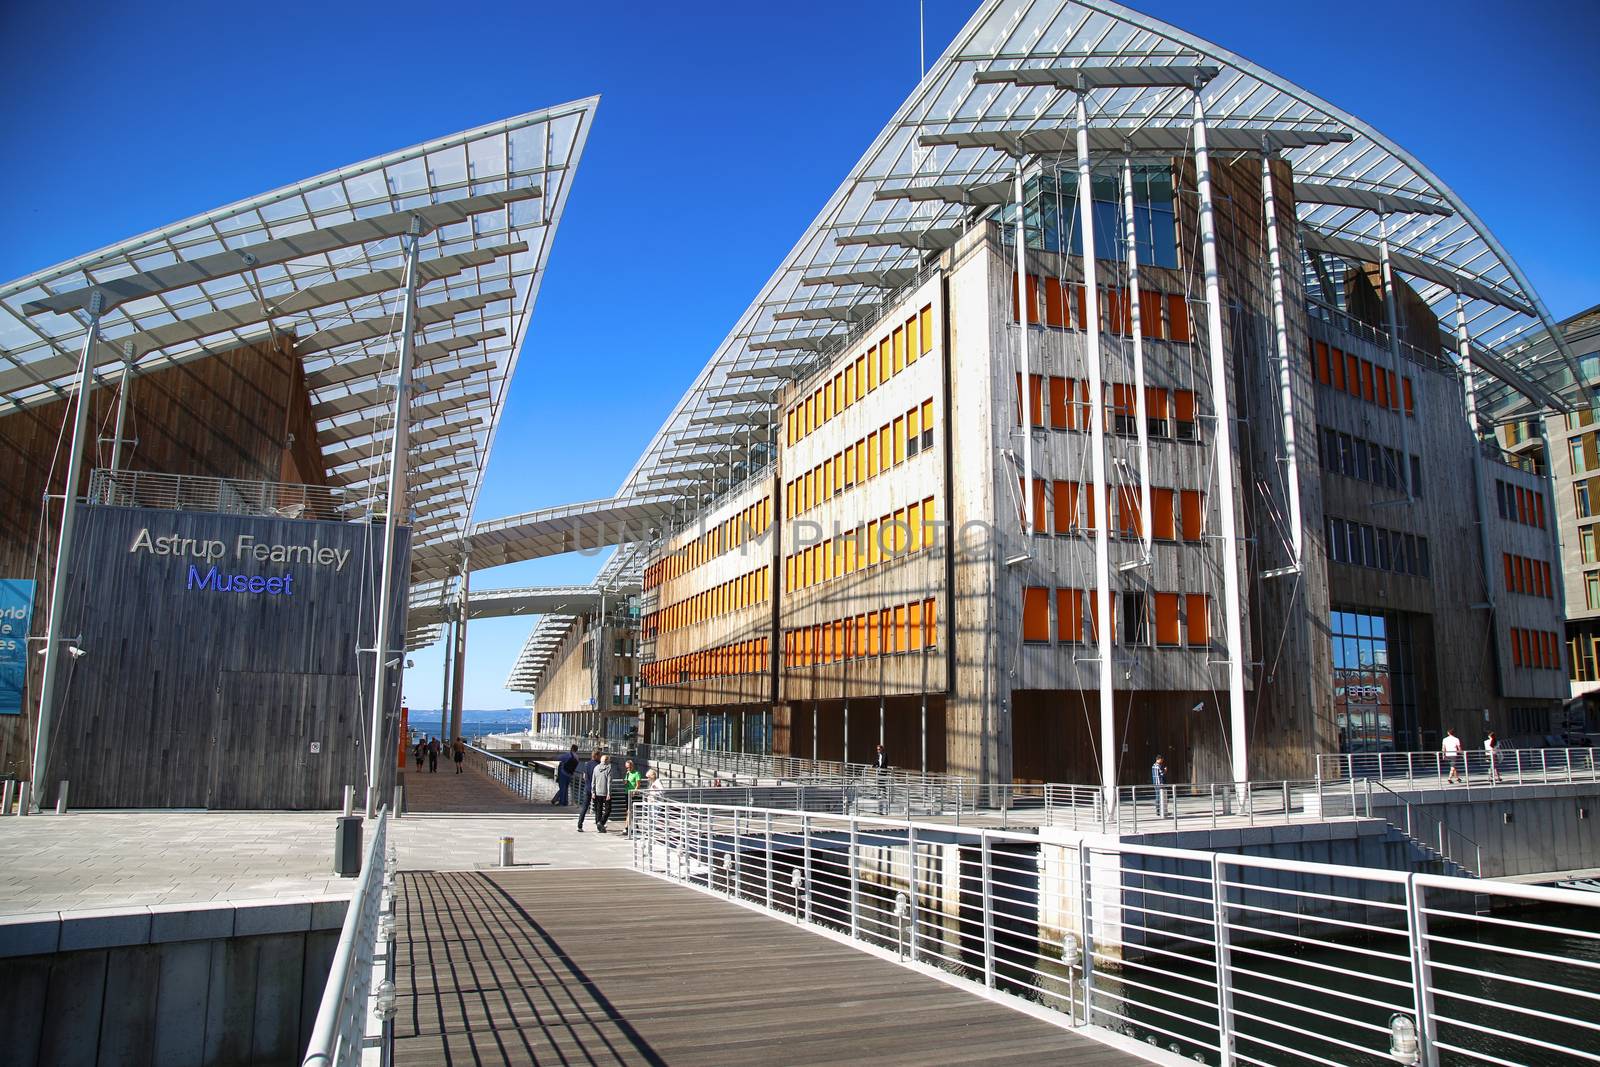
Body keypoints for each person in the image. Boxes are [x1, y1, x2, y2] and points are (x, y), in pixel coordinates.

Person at [575, 749, 600, 831]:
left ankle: (580, 825)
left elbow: (584, 776)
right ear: (596, 756)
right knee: (597, 807)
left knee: (584, 807)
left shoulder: (587, 764)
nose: (600, 757)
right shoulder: (598, 765)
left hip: (587, 787)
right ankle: (598, 824)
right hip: (596, 789)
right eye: (599, 756)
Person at [591, 754, 615, 833]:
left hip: (597, 792)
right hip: (605, 792)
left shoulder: (596, 768)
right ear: (607, 760)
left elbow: (593, 781)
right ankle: (601, 822)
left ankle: (599, 825)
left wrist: (593, 792)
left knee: (598, 809)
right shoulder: (609, 768)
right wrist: (609, 793)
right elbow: (609, 782)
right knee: (608, 809)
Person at [622, 759, 642, 835]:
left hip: (633, 794)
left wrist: (635, 790)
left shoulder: (636, 773)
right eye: (626, 767)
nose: (628, 769)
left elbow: (638, 784)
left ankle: (626, 828)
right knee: (629, 811)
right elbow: (625, 783)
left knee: (630, 811)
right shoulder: (627, 773)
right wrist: (624, 782)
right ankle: (636, 827)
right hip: (627, 793)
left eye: (629, 767)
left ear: (632, 766)